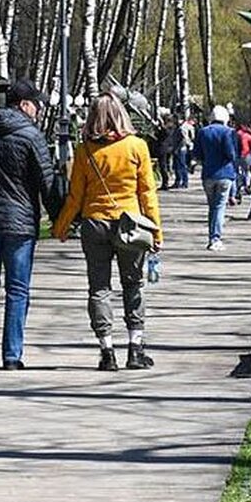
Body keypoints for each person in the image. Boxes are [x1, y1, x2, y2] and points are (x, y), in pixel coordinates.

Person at [52, 93, 162, 371]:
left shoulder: (84, 151)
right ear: (121, 114)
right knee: (133, 284)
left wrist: (62, 226)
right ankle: (135, 349)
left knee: (99, 288)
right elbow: (147, 193)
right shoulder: (137, 146)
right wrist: (156, 231)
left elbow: (75, 196)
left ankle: (107, 350)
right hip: (131, 224)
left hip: (95, 223)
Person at [0, 78, 60, 370]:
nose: (40, 109)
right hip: (20, 225)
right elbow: (48, 181)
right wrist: (60, 219)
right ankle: (12, 357)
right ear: (24, 104)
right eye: (37, 104)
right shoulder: (31, 135)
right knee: (18, 289)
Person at [195, 105, 237, 251]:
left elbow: (197, 154)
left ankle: (211, 236)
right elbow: (231, 154)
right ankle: (216, 238)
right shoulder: (229, 132)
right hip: (225, 173)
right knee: (220, 207)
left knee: (212, 207)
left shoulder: (202, 132)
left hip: (208, 174)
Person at [175, 113, 194, 189]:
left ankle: (184, 182)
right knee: (179, 165)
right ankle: (180, 181)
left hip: (181, 148)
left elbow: (184, 138)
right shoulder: (185, 126)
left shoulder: (183, 127)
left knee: (182, 165)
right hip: (183, 147)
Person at [158, 115, 177, 190]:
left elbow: (165, 133)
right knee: (165, 165)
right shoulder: (171, 127)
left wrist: (161, 125)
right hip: (167, 148)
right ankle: (165, 181)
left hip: (164, 148)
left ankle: (165, 182)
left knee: (163, 166)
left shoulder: (169, 128)